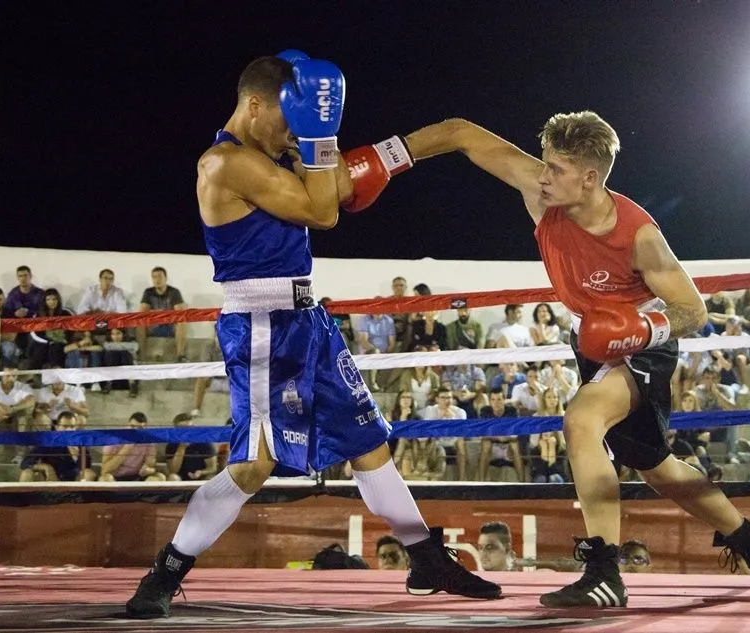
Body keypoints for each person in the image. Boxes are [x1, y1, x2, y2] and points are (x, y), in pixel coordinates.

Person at [125, 52, 498, 619]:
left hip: (308, 322)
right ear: (254, 105)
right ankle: (166, 572)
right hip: (262, 327)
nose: (291, 132)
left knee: (367, 444)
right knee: (255, 463)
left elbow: (345, 184)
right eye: (286, 118)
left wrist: (442, 139)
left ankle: (426, 559)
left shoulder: (275, 155)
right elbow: (324, 212)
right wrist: (322, 144)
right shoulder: (225, 163)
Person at [378, 112, 750, 607]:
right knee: (654, 466)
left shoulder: (639, 236)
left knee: (581, 421)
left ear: (590, 177)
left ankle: (604, 569)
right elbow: (461, 133)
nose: (542, 176)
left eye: (556, 169)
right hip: (590, 342)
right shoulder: (541, 191)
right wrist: (383, 158)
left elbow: (693, 309)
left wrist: (642, 328)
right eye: (544, 165)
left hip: (643, 345)